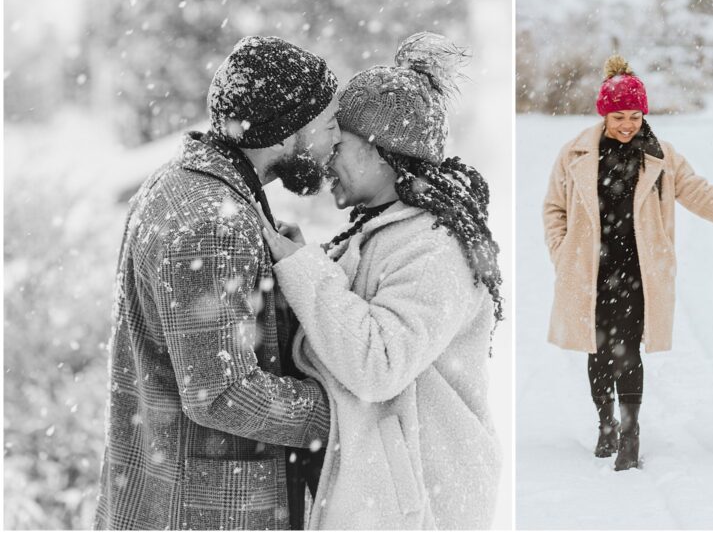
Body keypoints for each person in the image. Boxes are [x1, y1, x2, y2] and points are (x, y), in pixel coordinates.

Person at [95, 36, 340, 530]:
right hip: (203, 511)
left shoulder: (186, 185)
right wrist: (338, 412)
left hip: (166, 497)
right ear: (284, 132)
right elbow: (222, 394)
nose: (335, 139)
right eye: (329, 124)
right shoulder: (213, 222)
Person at [260, 32, 503, 529]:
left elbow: (380, 364)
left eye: (339, 144)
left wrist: (303, 268)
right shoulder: (383, 231)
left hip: (425, 505)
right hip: (395, 499)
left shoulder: (437, 245)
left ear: (382, 151)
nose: (325, 157)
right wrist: (314, 261)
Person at [543, 55, 713, 471]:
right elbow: (554, 209)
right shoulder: (576, 153)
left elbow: (705, 197)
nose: (628, 125)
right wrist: (563, 255)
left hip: (638, 271)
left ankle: (630, 434)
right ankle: (605, 424)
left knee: (628, 351)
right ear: (604, 114)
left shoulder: (662, 158)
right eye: (618, 117)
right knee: (596, 351)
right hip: (590, 271)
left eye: (634, 115)